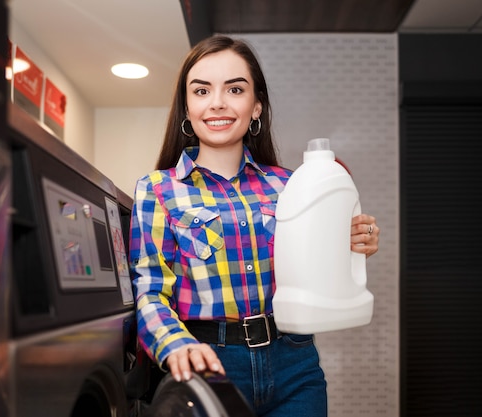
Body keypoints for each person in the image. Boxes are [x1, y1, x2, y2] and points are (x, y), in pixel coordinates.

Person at [129, 35, 380, 417]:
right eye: (201, 90)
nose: (217, 102)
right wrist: (175, 345)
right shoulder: (158, 190)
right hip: (208, 365)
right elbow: (149, 293)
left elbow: (314, 267)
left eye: (235, 89)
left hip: (294, 366)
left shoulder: (290, 185)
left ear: (256, 106)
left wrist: (348, 243)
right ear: (187, 106)